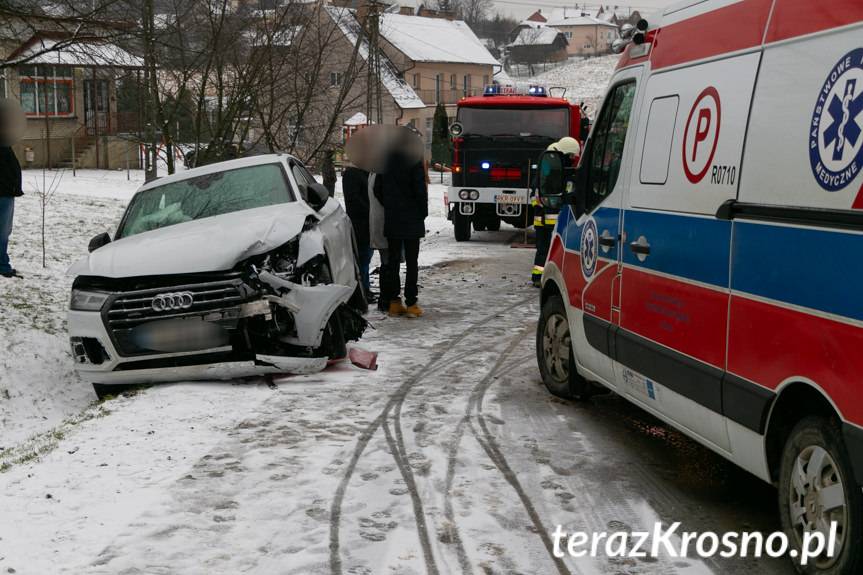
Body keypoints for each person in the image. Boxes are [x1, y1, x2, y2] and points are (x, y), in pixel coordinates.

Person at [375, 132, 427, 318]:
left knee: (393, 261)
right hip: (412, 218)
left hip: (393, 218)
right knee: (412, 262)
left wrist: (390, 205)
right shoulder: (413, 162)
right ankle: (411, 302)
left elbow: (377, 189)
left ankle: (394, 302)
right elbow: (420, 190)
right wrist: (422, 212)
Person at [531, 136, 581, 287]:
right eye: (571, 156)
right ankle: (539, 278)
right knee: (545, 249)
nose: (572, 159)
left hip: (545, 219)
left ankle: (540, 277)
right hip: (550, 219)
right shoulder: (554, 172)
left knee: (544, 250)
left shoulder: (547, 169)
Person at [342, 161, 373, 302]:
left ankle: (365, 288)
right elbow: (353, 199)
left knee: (366, 257)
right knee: (362, 258)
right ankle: (362, 291)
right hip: (360, 223)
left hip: (367, 223)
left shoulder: (365, 172)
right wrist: (370, 211)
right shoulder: (352, 174)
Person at [0, 99, 23, 279]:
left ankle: (3, 264)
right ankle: (3, 266)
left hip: (7, 192)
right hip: (4, 194)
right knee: (3, 231)